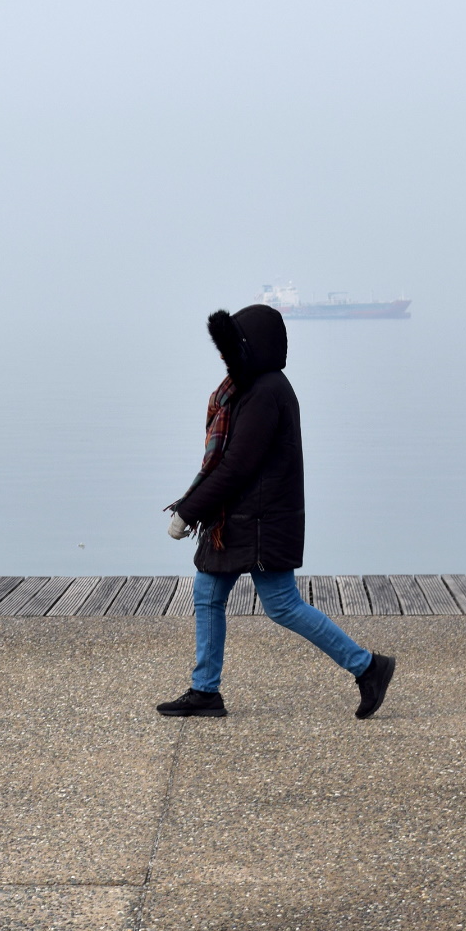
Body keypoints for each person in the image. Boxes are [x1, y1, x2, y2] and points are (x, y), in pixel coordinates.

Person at [156, 304, 396, 719]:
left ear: (252, 349)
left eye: (230, 349)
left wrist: (190, 510)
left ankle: (368, 667)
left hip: (261, 521)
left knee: (282, 604)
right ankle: (205, 691)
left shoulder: (266, 392)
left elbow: (237, 465)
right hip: (239, 518)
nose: (222, 358)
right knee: (208, 595)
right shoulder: (249, 387)